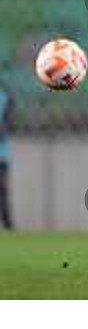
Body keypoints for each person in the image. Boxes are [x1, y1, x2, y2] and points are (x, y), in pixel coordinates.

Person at [0, 82, 14, 230]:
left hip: (1, 155)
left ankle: (8, 226)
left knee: (2, 191)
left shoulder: (6, 96)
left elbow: (8, 124)